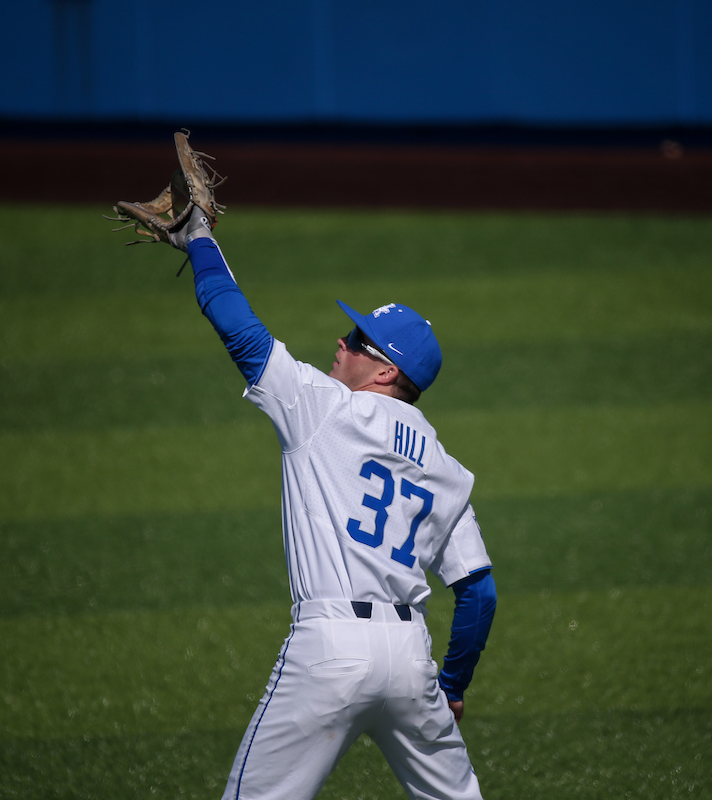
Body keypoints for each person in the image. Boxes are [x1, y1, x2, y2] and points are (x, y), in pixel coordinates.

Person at [119, 134, 497, 800]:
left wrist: (201, 238)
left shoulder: (326, 409)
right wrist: (453, 688)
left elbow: (236, 325)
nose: (340, 344)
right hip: (411, 664)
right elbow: (479, 593)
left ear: (385, 370)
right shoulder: (446, 466)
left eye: (355, 340)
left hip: (331, 651)